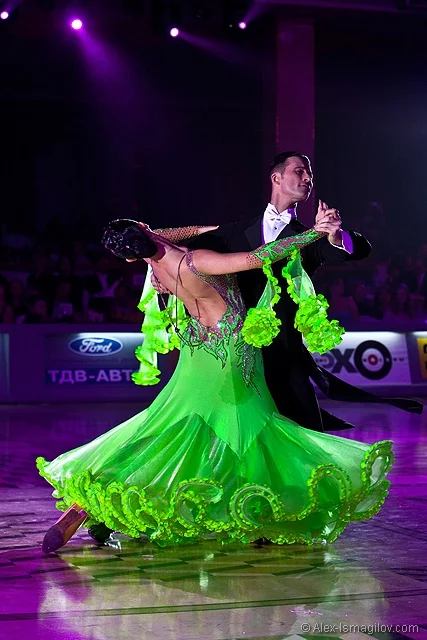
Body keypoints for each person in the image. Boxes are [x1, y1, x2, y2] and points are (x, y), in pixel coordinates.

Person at [37, 220, 394, 554]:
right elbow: (259, 257)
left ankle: (88, 509)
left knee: (163, 428)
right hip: (230, 354)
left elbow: (161, 236)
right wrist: (313, 232)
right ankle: (256, 509)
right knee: (249, 429)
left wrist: (211, 228)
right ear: (144, 230)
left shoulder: (152, 264)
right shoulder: (197, 261)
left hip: (195, 353)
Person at [189, 151, 422, 430]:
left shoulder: (309, 237)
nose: (308, 178)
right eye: (299, 171)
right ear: (276, 178)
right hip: (238, 354)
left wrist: (335, 235)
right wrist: (159, 274)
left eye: (309, 173)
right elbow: (188, 257)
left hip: (286, 354)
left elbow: (356, 249)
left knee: (305, 429)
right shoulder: (236, 232)